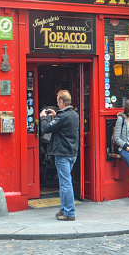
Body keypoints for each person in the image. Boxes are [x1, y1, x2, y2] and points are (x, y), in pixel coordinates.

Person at [40, 90, 79, 221]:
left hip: (62, 153)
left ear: (61, 102)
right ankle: (63, 209)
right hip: (72, 153)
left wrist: (43, 117)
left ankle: (69, 212)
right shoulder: (74, 115)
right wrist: (56, 115)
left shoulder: (63, 117)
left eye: (57, 101)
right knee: (65, 182)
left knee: (65, 183)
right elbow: (63, 125)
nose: (57, 103)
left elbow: (47, 128)